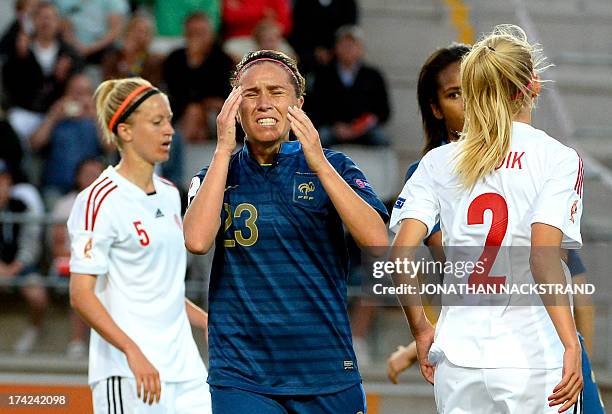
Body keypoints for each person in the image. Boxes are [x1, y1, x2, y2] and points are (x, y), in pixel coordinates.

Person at [390, 25, 584, 413]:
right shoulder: (557, 158)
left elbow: (399, 257)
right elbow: (543, 257)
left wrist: (421, 329)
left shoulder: (438, 161)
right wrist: (570, 344)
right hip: (534, 356)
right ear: (532, 85)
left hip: (459, 361)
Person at [183, 49, 389, 413]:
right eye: (251, 93)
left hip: (325, 368)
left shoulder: (336, 165)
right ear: (233, 105)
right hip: (242, 373)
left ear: (299, 103)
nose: (264, 103)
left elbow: (377, 240)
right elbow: (197, 240)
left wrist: (320, 164)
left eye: (276, 92)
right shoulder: (214, 174)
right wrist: (221, 149)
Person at [67, 77, 211, 412]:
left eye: (170, 120)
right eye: (157, 122)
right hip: (129, 373)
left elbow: (163, 289)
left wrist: (207, 321)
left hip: (186, 369)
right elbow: (81, 294)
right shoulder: (98, 200)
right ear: (125, 131)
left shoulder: (170, 193)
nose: (170, 131)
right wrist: (132, 351)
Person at [2, 1, 83, 140]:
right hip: (25, 110)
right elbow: (8, 81)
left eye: (50, 18)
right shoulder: (20, 50)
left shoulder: (68, 53)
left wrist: (62, 77)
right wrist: (21, 59)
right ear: (33, 21)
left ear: (58, 22)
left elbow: (78, 83)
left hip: (57, 112)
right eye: (41, 17)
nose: (46, 22)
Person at [50, 157, 105, 359]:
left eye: (98, 175)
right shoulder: (65, 205)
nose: (94, 180)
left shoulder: (114, 203)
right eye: (89, 175)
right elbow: (57, 250)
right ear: (78, 178)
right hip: (71, 263)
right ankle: (77, 342)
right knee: (83, 280)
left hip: (104, 264)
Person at [307, 25, 391, 147]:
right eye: (344, 45)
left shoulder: (373, 75)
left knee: (382, 139)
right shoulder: (324, 75)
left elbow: (383, 111)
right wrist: (336, 126)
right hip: (334, 129)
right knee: (318, 139)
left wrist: (360, 127)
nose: (348, 49)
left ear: (361, 49)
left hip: (365, 130)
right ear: (336, 48)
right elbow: (315, 108)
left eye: (353, 45)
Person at [30, 73, 106, 200]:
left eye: (85, 93)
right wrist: (53, 117)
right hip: (57, 187)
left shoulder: (97, 119)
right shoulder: (56, 117)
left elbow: (111, 147)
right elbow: (34, 144)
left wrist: (96, 117)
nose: (79, 98)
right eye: (75, 92)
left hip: (91, 187)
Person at [0, 159, 48, 355]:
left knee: (37, 295)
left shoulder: (22, 205)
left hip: (21, 266)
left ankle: (32, 333)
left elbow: (30, 243)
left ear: (8, 182)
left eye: (2, 181)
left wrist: (14, 268)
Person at [162, 12, 234, 142]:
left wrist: (204, 104)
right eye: (192, 33)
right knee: (193, 111)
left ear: (211, 35)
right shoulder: (175, 59)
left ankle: (171, 156)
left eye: (201, 33)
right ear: (185, 34)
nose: (197, 37)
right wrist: (193, 63)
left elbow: (223, 93)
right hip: (181, 113)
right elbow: (175, 91)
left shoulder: (223, 59)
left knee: (195, 112)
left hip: (215, 113)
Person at [54, 0, 129, 64]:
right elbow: (60, 22)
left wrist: (89, 49)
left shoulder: (114, 2)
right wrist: (73, 43)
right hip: (68, 46)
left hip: (102, 49)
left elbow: (115, 30)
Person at [101, 14, 163, 86]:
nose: (139, 36)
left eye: (145, 32)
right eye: (137, 31)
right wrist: (128, 55)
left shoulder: (154, 61)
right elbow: (108, 85)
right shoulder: (112, 58)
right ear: (127, 32)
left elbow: (151, 87)